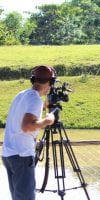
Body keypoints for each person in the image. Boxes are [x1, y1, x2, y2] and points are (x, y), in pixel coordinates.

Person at [2, 65, 56, 200]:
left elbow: (26, 112)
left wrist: (45, 104)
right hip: (21, 155)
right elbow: (27, 126)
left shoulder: (23, 94)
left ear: (33, 79)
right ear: (51, 82)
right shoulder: (34, 99)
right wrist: (47, 121)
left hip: (9, 154)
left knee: (18, 196)